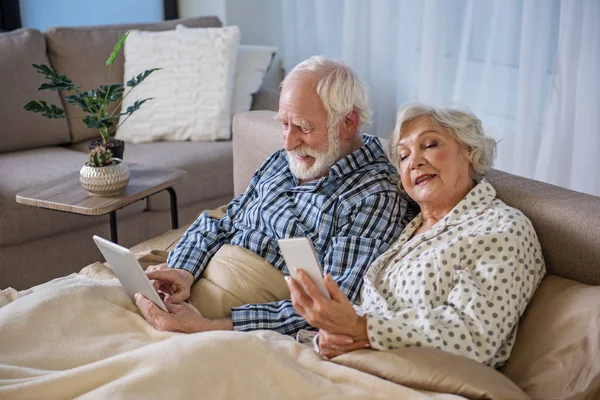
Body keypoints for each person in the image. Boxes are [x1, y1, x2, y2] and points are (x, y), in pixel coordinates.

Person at [134, 56, 414, 336]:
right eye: (284, 124)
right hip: (192, 284)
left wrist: (208, 328)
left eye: (304, 127)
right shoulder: (284, 160)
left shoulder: (374, 194)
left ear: (348, 123)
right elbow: (223, 222)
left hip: (234, 317)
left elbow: (334, 305)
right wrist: (183, 270)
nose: (289, 143)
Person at [286, 103, 546, 368]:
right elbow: (376, 313)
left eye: (430, 145)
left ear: (469, 151)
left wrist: (362, 329)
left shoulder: (502, 228)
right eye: (403, 156)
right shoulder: (411, 229)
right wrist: (332, 336)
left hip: (417, 382)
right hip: (356, 364)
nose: (415, 162)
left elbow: (472, 336)